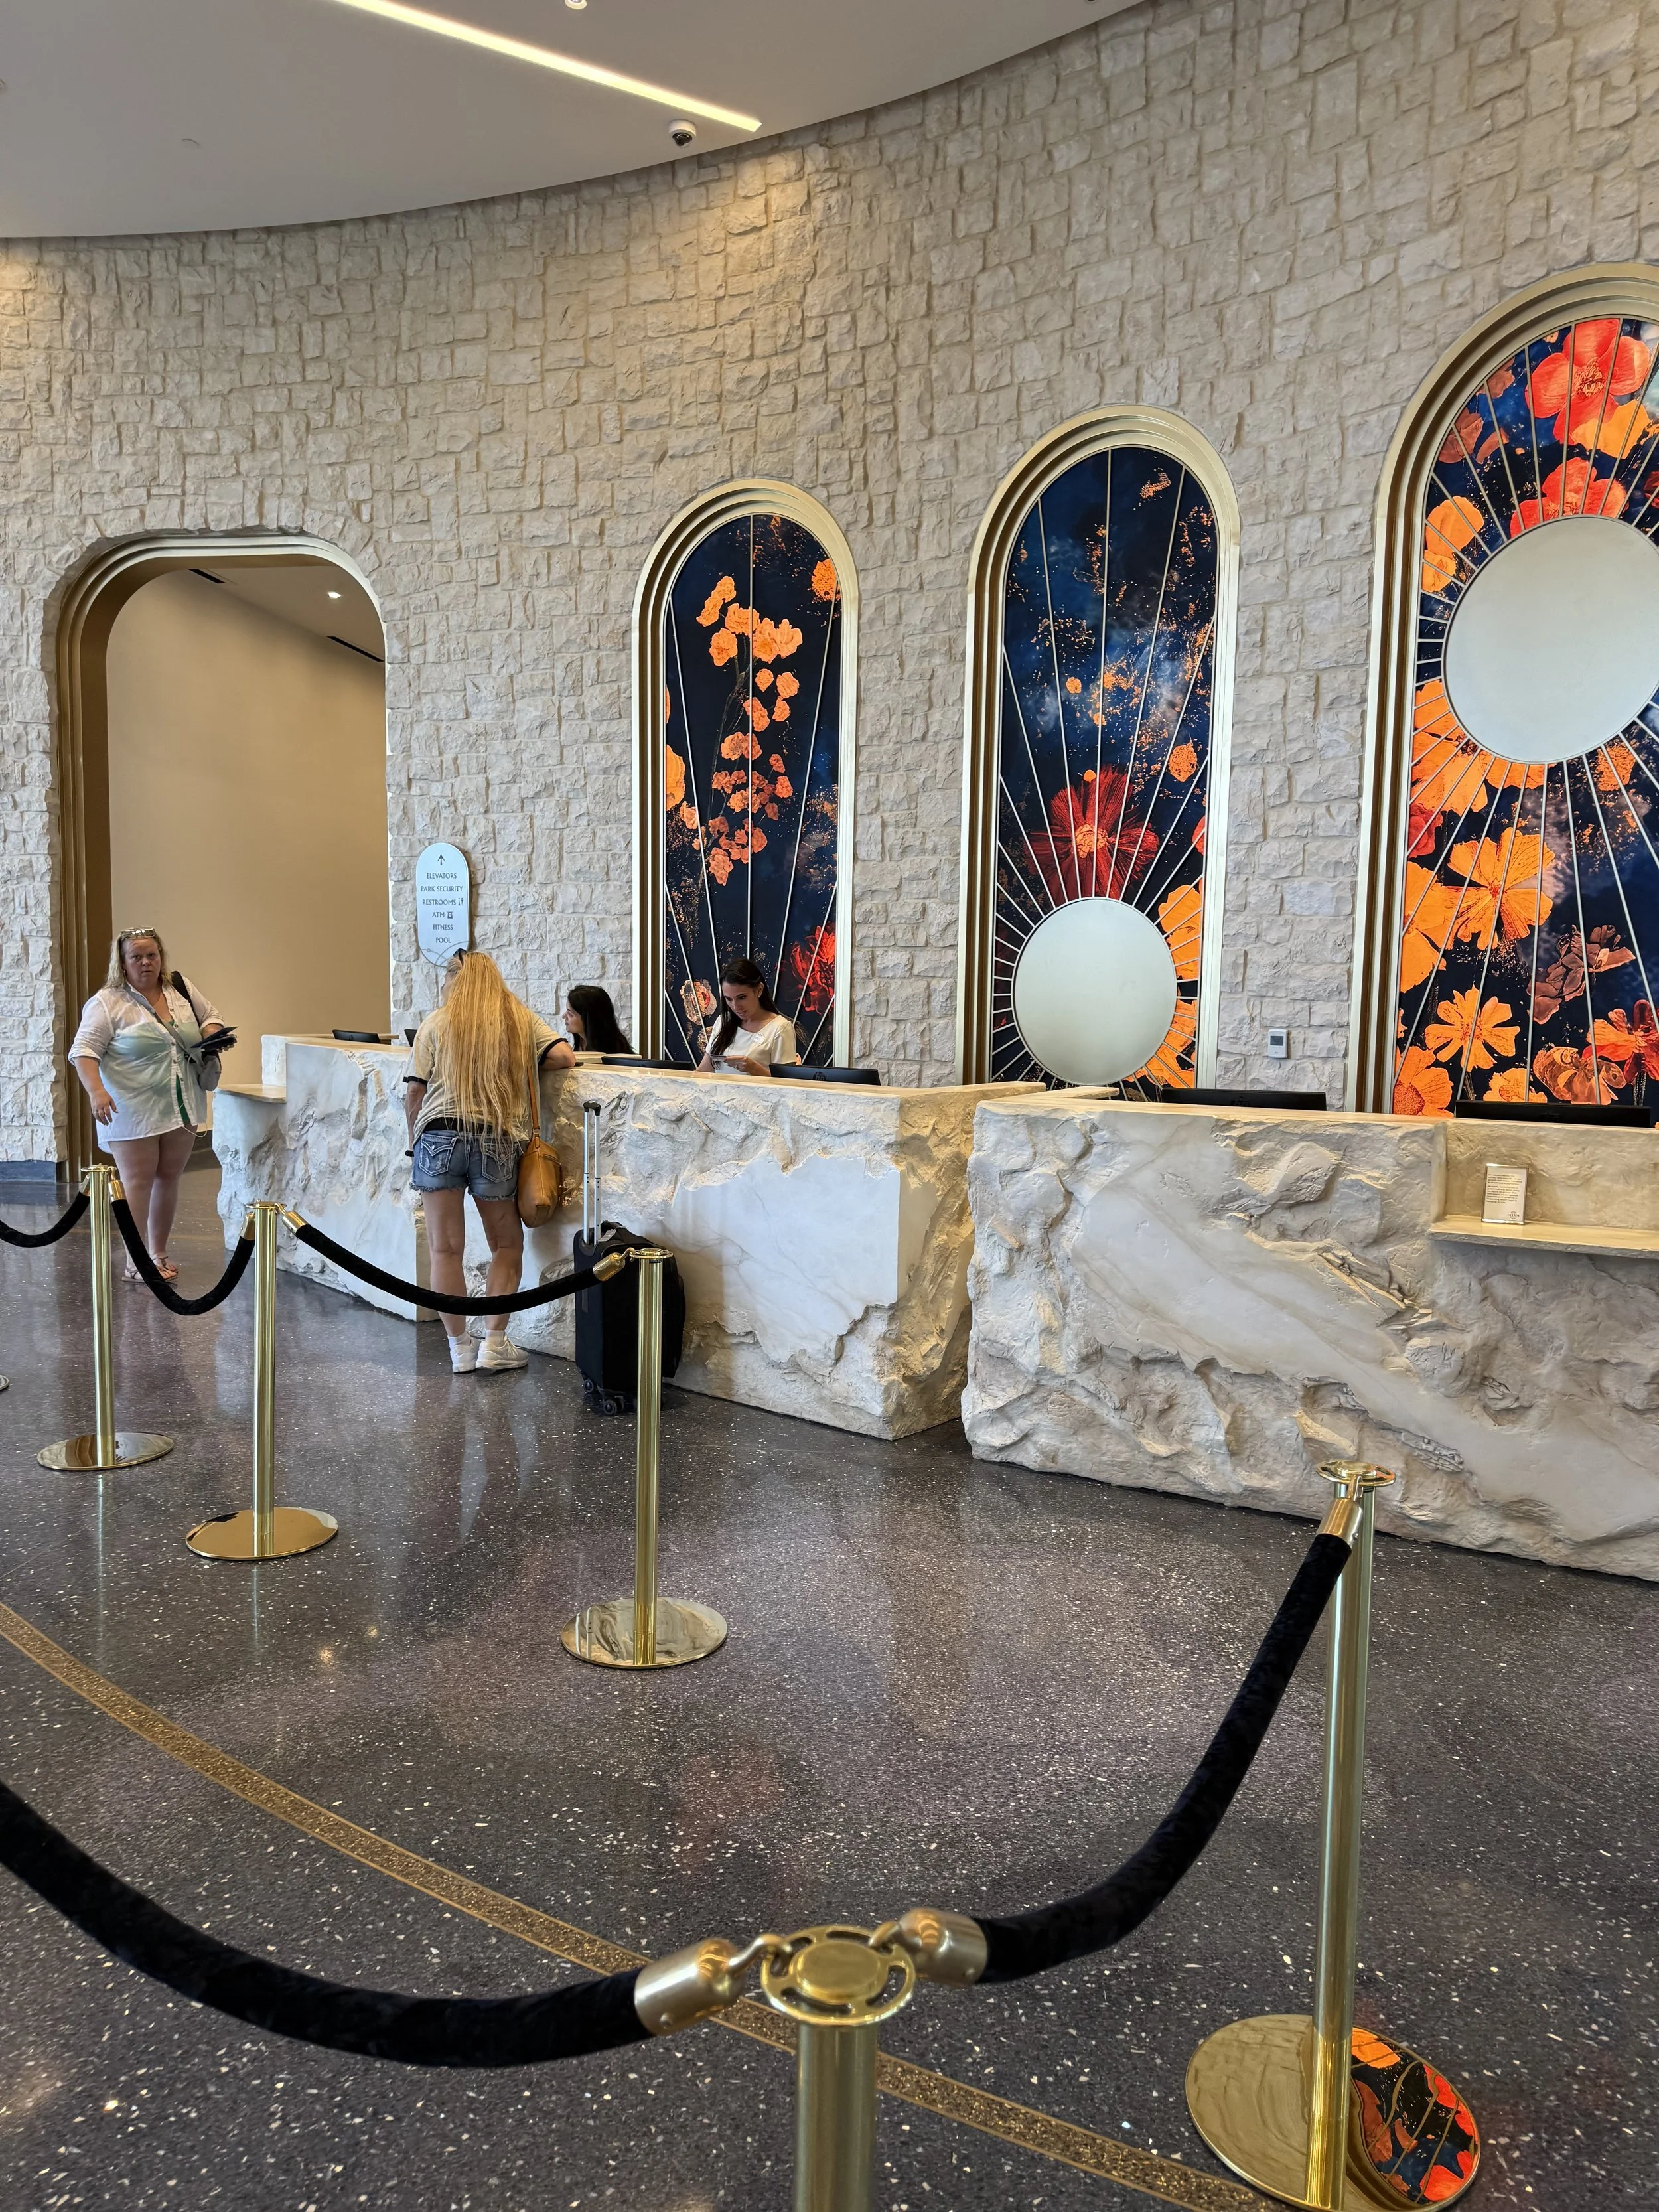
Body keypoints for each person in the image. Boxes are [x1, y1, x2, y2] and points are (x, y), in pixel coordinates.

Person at [403, 951, 560, 1374]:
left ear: (453, 981)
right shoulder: (518, 1020)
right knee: (506, 1245)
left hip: (438, 1136)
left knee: (443, 1250)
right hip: (495, 1137)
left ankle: (459, 1351)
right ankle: (495, 1343)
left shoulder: (436, 1023)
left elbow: (415, 1094)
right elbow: (564, 1057)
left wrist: (413, 1142)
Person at [69, 928, 229, 1283]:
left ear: (161, 957)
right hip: (132, 1107)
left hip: (182, 1102)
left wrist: (210, 1039)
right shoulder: (108, 1002)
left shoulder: (179, 989)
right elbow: (83, 1052)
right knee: (138, 1181)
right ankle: (135, 1260)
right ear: (122, 963)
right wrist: (97, 1092)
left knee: (169, 1178)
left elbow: (211, 1016)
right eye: (137, 957)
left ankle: (157, 1252)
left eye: (152, 955)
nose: (146, 963)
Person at [697, 956, 799, 1075]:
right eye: (729, 999)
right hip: (720, 1094)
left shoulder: (780, 1028)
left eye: (742, 998)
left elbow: (787, 1084)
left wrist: (753, 1067)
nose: (735, 1006)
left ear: (759, 990)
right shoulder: (723, 1022)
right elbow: (702, 1072)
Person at [549, 984, 632, 1065]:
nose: (564, 1016)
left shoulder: (615, 1055)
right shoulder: (580, 1044)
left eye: (570, 1014)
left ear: (589, 1019)